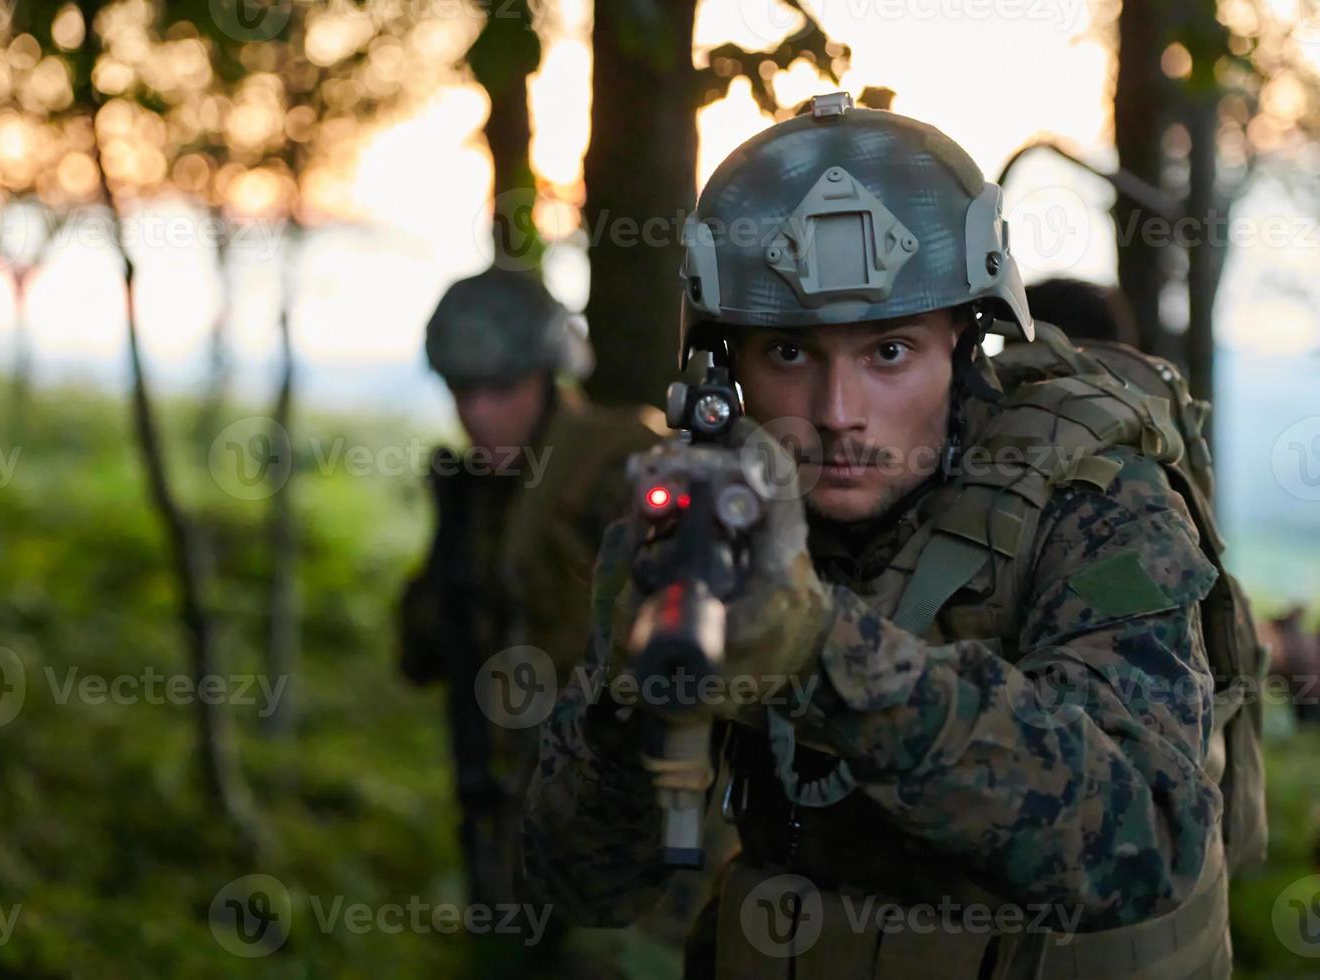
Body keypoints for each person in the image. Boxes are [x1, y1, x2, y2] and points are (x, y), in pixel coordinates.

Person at [522, 93, 1259, 978]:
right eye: (790, 355)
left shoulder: (1096, 503)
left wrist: (816, 651)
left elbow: (1144, 846)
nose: (839, 416)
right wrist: (628, 695)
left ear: (965, 338)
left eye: (889, 353)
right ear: (726, 368)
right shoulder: (712, 518)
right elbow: (588, 885)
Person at [397, 266, 667, 918]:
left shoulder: (616, 461)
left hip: (625, 819)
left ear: (547, 379)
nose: (477, 414)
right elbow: (417, 652)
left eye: (500, 389)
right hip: (509, 815)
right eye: (463, 391)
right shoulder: (479, 492)